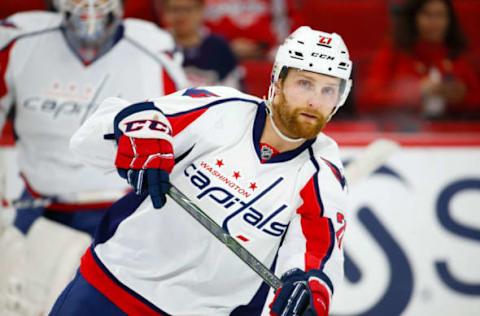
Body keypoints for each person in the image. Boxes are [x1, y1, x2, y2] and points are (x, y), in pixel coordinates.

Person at [51, 26, 352, 315]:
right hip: (108, 289)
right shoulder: (221, 110)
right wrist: (136, 137)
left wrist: (307, 290)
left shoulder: (323, 173)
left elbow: (317, 257)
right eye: (304, 83)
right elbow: (89, 139)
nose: (315, 100)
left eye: (329, 90)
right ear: (277, 81)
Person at [0, 0, 187, 237]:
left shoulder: (152, 47)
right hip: (32, 202)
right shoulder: (19, 38)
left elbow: (178, 127)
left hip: (118, 205)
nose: (89, 4)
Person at [358, 0, 480, 121]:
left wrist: (462, 98)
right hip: (404, 129)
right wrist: (417, 91)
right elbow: (368, 97)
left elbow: (475, 98)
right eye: (427, 15)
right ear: (413, 18)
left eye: (440, 15)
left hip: (451, 129)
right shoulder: (395, 51)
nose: (435, 22)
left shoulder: (456, 55)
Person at [155, 0, 242, 89]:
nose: (181, 16)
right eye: (174, 10)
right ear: (164, 12)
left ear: (201, 10)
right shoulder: (156, 46)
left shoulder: (219, 46)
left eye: (188, 9)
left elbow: (232, 89)